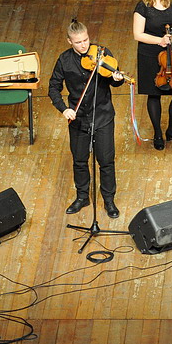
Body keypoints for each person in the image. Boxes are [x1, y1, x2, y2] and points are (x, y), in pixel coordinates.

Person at [48, 20, 125, 218]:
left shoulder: (101, 52)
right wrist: (64, 109)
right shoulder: (64, 60)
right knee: (80, 160)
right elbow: (53, 87)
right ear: (69, 41)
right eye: (78, 42)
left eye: (86, 40)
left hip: (102, 115)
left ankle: (108, 200)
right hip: (78, 118)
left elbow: (113, 79)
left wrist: (117, 79)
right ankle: (82, 197)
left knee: (106, 161)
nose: (84, 45)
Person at [132, 0, 172, 150]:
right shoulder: (143, 6)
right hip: (150, 54)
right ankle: (157, 133)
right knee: (153, 93)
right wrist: (160, 40)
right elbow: (138, 34)